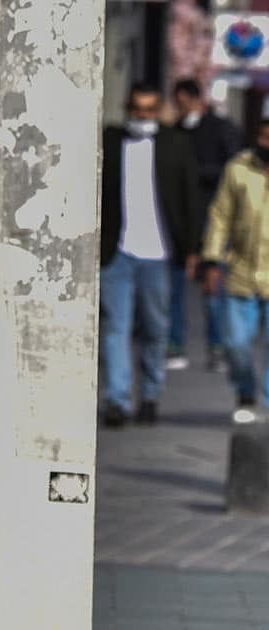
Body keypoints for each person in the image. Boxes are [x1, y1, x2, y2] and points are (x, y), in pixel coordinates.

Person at [99, 83, 203, 428]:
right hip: (116, 252)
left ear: (158, 111)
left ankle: (150, 394)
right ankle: (117, 399)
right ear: (127, 108)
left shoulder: (176, 146)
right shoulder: (111, 142)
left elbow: (191, 198)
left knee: (155, 330)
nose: (142, 116)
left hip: (158, 253)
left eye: (149, 110)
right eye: (136, 109)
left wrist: (192, 249)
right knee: (116, 327)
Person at [169, 79, 243, 372]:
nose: (179, 106)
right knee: (174, 287)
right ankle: (175, 344)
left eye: (181, 100)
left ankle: (216, 346)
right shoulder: (175, 132)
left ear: (192, 99)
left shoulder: (219, 128)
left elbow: (232, 167)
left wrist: (196, 173)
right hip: (181, 221)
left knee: (212, 285)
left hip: (212, 218)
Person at [202, 119, 269, 410]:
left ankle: (265, 412)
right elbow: (220, 216)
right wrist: (212, 259)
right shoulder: (238, 168)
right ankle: (244, 388)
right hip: (242, 273)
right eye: (266, 137)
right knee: (235, 345)